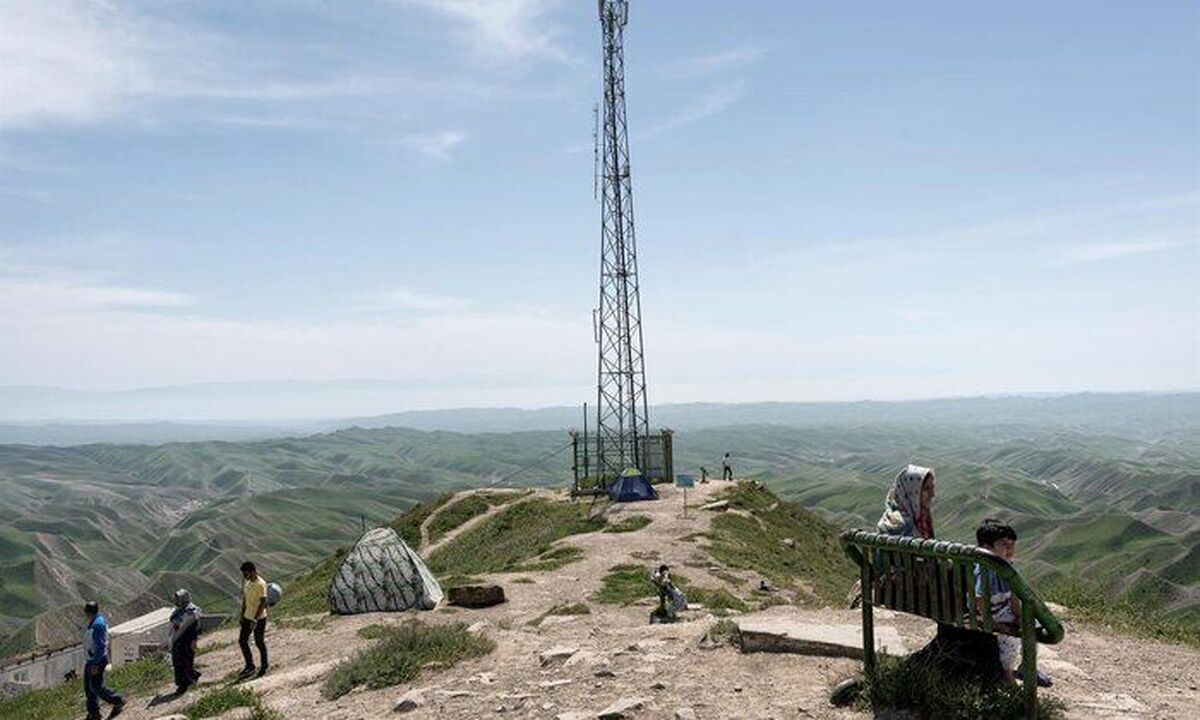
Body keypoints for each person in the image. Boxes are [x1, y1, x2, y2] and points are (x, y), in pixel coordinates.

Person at [974, 519, 1022, 683]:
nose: (1010, 550)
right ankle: (1007, 674)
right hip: (989, 616)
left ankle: (1025, 666)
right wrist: (992, 624)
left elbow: (1014, 596)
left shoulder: (1007, 566)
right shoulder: (985, 569)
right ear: (987, 548)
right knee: (1010, 639)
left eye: (1012, 544)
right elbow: (979, 600)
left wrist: (1018, 615)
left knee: (1031, 624)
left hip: (1001, 611)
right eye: (1003, 544)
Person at [82, 601, 124, 720]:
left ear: (88, 612)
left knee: (95, 687)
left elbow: (100, 646)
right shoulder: (95, 621)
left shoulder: (97, 625)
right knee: (88, 687)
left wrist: (95, 664)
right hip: (91, 660)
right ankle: (93, 713)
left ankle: (117, 700)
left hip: (96, 661)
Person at [876, 464, 936, 539]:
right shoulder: (896, 526)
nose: (932, 494)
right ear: (911, 491)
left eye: (932, 487)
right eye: (926, 489)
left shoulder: (922, 519)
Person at [238, 561, 269, 678]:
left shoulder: (260, 584)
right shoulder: (247, 582)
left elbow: (263, 603)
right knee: (242, 641)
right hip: (247, 616)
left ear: (253, 572)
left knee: (259, 642)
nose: (245, 577)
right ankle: (250, 666)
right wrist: (242, 615)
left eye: (246, 574)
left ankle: (264, 665)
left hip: (259, 619)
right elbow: (245, 600)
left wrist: (255, 619)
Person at [169, 589, 202, 694]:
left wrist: (194, 640)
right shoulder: (177, 611)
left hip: (187, 640)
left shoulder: (192, 611)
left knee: (184, 662)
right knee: (178, 662)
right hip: (177, 640)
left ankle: (183, 685)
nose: (176, 602)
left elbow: (195, 628)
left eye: (178, 599)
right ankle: (192, 675)